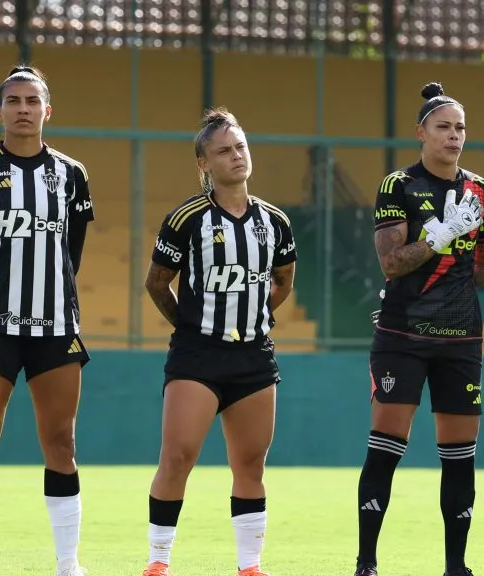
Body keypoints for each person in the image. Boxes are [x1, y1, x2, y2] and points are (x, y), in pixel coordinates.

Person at [0, 65, 95, 576]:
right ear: (0, 111)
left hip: (55, 329)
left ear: (47, 111)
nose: (24, 109)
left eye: (33, 101)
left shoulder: (72, 175)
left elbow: (71, 252)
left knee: (62, 442)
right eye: (14, 101)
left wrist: (47, 302)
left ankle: (68, 563)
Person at [355, 82, 484, 576]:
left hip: (461, 340)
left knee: (460, 456)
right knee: (385, 449)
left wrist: (456, 282)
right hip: (403, 337)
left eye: (460, 128)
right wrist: (441, 236)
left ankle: (456, 566)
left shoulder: (482, 192)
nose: (454, 136)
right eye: (443, 127)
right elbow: (392, 264)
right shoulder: (398, 186)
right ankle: (367, 562)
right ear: (422, 132)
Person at [142, 107, 297, 576]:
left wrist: (257, 316)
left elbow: (284, 279)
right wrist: (186, 325)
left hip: (254, 358)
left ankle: (249, 566)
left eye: (241, 147)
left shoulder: (274, 221)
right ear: (204, 164)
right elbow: (156, 282)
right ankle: (158, 561)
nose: (236, 156)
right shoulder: (186, 218)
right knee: (178, 456)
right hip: (198, 356)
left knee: (250, 463)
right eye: (224, 150)